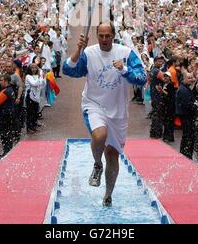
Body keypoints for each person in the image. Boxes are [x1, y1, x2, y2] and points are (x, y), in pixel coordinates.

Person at [63, 22, 147, 207]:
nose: (104, 39)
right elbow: (69, 70)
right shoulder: (89, 53)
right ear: (96, 35)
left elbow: (142, 78)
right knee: (99, 135)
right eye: (100, 36)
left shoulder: (126, 53)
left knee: (112, 155)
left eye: (107, 36)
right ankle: (96, 165)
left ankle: (108, 195)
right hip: (94, 104)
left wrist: (124, 70)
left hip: (118, 111)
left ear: (113, 35)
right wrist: (78, 50)